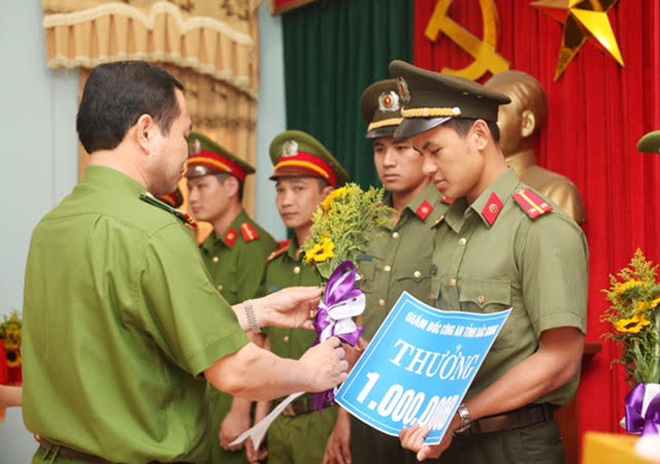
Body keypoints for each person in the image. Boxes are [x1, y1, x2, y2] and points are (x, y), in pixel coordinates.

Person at [21, 61, 348, 464]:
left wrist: (255, 311)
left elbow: (123, 335)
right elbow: (234, 372)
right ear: (146, 133)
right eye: (183, 134)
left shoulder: (52, 227)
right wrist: (309, 374)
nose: (185, 155)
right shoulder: (154, 230)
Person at [388, 60, 589, 463]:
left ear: (480, 135)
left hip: (516, 445)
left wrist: (460, 417)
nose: (427, 169)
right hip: (451, 443)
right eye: (420, 154)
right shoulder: (447, 228)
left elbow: (560, 362)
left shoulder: (540, 228)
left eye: (435, 151)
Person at [323, 79, 450, 464]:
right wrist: (344, 416)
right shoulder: (364, 227)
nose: (387, 161)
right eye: (379, 149)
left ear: (426, 150)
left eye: (400, 148)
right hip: (366, 407)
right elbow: (355, 324)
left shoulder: (451, 221)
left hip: (425, 415)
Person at [247, 130, 350, 464]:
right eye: (280, 190)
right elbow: (268, 346)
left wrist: (343, 423)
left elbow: (354, 349)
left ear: (328, 195)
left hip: (325, 421)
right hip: (280, 420)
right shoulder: (277, 265)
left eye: (298, 188)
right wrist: (260, 421)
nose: (285, 200)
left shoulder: (343, 265)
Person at [185, 132, 278, 464]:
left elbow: (257, 333)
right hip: (208, 389)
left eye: (201, 186)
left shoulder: (254, 248)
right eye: (190, 187)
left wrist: (240, 411)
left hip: (239, 391)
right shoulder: (206, 248)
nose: (192, 196)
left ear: (230, 187)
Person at [485, 70, 586, 225]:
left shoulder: (555, 191)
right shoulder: (469, 190)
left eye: (493, 116)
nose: (482, 126)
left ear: (526, 124)